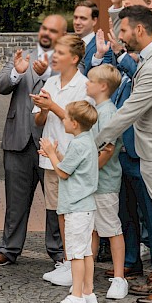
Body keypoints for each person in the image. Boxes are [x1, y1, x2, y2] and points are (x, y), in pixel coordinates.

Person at [95, 5, 152, 303]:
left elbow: (129, 112)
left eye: (123, 31)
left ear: (139, 30)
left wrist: (93, 140)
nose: (120, 37)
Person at [0, 14, 67, 270]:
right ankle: (9, 248)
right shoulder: (22, 56)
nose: (46, 33)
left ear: (62, 35)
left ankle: (58, 250)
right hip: (18, 139)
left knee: (55, 201)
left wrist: (48, 74)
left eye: (53, 30)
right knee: (15, 200)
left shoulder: (65, 64)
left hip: (51, 144)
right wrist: (15, 72)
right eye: (44, 28)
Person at [32, 34, 91, 287]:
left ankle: (77, 263)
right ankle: (67, 262)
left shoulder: (84, 86)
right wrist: (44, 109)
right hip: (51, 156)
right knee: (57, 211)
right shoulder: (51, 82)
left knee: (73, 214)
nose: (54, 57)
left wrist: (52, 105)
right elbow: (38, 121)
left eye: (60, 53)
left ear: (75, 59)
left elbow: (80, 120)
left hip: (72, 158)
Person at [40, 101, 100, 303]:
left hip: (76, 207)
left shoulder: (78, 144)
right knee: (84, 253)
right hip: (86, 206)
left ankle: (76, 297)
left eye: (65, 118)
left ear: (74, 123)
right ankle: (87, 292)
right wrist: (56, 156)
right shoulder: (87, 141)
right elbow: (73, 167)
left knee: (75, 254)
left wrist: (51, 153)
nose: (62, 120)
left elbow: (63, 173)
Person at [86, 64, 128, 300]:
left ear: (102, 86)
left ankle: (120, 278)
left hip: (105, 182)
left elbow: (108, 149)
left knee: (111, 229)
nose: (86, 84)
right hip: (94, 183)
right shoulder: (98, 110)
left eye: (90, 81)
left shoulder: (108, 113)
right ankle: (86, 276)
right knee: (92, 230)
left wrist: (89, 171)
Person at [74, 0, 99, 74]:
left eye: (83, 18)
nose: (77, 22)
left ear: (94, 21)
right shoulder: (65, 44)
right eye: (75, 18)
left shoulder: (104, 48)